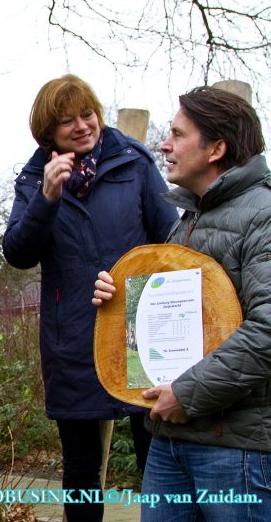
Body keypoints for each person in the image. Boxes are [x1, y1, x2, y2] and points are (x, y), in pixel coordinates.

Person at [2, 74, 177, 521]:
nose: (82, 126)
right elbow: (18, 253)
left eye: (87, 114)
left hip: (142, 331)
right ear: (47, 133)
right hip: (73, 336)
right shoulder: (34, 178)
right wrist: (46, 198)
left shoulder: (134, 163)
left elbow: (172, 241)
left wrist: (137, 284)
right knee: (81, 467)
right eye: (67, 121)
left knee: (157, 458)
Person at [93, 86, 271, 521]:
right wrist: (120, 302)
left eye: (177, 134)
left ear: (216, 149)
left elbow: (267, 330)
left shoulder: (263, 214)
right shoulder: (187, 220)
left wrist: (187, 394)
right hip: (170, 439)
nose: (164, 145)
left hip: (237, 450)